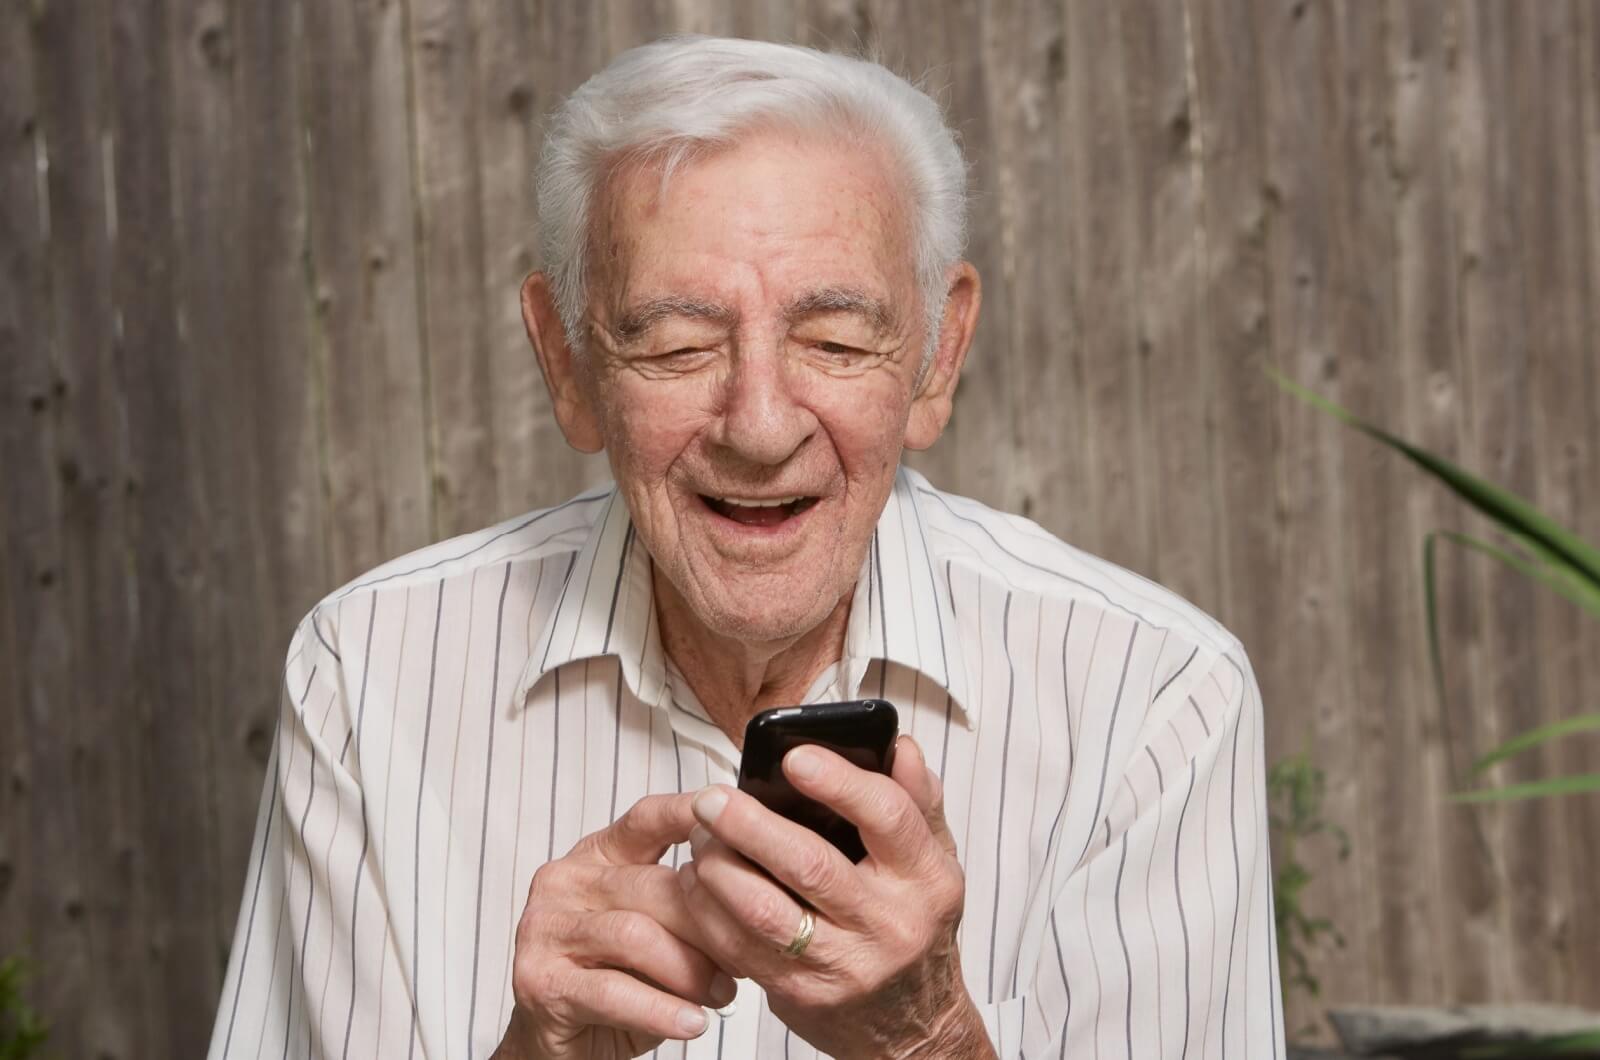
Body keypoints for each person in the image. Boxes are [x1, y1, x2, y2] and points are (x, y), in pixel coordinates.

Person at [207, 35, 1283, 1060]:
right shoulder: (367, 674)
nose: (759, 426)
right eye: (674, 344)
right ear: (569, 363)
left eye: (835, 339)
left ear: (937, 353)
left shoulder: (1154, 700)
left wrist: (929, 1038)